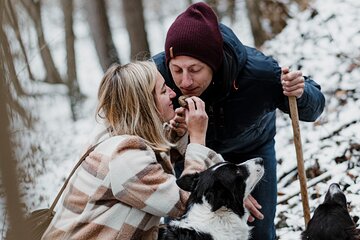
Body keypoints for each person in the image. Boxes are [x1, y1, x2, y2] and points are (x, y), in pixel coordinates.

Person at [152, 2, 325, 240]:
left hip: (251, 149)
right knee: (183, 231)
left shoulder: (259, 75)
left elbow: (312, 111)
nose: (185, 81)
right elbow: (139, 128)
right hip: (191, 152)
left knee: (259, 229)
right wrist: (170, 129)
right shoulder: (155, 76)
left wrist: (301, 92)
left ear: (214, 62)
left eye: (195, 69)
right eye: (177, 69)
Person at [41, 61, 224, 240]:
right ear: (145, 106)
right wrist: (198, 139)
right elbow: (189, 204)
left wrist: (176, 135)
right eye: (162, 90)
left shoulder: (112, 131)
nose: (172, 93)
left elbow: (151, 168)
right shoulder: (125, 155)